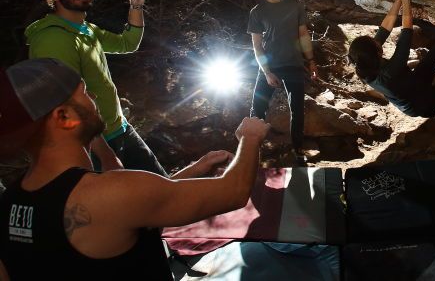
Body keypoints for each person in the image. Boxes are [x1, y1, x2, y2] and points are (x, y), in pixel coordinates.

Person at [0, 58, 269, 281]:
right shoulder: (108, 193)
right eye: (83, 92)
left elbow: (138, 206)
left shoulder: (10, 200)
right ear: (64, 117)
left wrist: (197, 168)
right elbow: (233, 191)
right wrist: (250, 137)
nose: (93, 97)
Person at [23, 0, 166, 176]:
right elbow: (66, 103)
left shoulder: (87, 29)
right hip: (92, 145)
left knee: (162, 192)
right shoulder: (53, 38)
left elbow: (128, 43)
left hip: (120, 129)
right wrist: (106, 155)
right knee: (124, 208)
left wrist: (136, 5)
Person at [247, 0, 317, 164]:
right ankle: (251, 153)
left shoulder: (295, 6)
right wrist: (267, 72)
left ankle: (298, 150)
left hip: (294, 64)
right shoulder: (258, 12)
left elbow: (303, 35)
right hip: (270, 67)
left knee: (297, 109)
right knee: (257, 110)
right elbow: (257, 47)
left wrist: (311, 61)